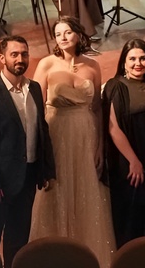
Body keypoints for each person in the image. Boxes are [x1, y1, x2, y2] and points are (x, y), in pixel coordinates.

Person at [29, 17, 116, 266]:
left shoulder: (93, 66)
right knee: (57, 188)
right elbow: (35, 107)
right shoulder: (46, 64)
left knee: (85, 188)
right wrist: (40, 147)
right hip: (56, 131)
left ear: (78, 34)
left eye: (67, 32)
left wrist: (99, 146)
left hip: (85, 133)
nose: (63, 38)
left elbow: (97, 108)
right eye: (58, 34)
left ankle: (85, 253)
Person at [0, 36, 55, 268]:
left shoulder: (34, 88)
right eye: (14, 54)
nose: (20, 59)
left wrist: (46, 169)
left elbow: (41, 129)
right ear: (2, 58)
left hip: (27, 178)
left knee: (18, 240)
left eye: (24, 54)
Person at [103, 39, 145, 247]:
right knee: (132, 214)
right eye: (132, 59)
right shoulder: (116, 87)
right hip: (129, 161)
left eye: (142, 58)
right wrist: (133, 161)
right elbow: (113, 128)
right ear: (123, 62)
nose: (138, 63)